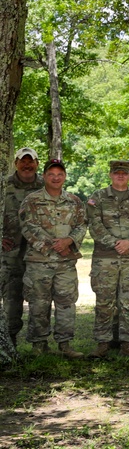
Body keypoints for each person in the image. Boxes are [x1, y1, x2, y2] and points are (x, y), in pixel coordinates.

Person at [19, 159, 86, 358]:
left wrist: (69, 241)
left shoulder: (74, 201)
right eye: (51, 174)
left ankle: (65, 345)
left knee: (66, 303)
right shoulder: (31, 200)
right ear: (44, 176)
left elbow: (82, 225)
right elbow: (27, 227)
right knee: (39, 303)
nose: (56, 178)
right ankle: (39, 345)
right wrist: (53, 246)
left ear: (64, 176)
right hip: (39, 262)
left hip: (65, 263)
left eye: (59, 174)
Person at [87, 160, 129, 358]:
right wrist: (116, 242)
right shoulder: (97, 197)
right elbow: (95, 226)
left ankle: (127, 345)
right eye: (117, 173)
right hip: (105, 259)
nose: (120, 176)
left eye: (124, 173)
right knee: (104, 302)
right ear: (110, 175)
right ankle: (103, 344)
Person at [2, 147, 43, 345]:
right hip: (10, 252)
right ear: (15, 163)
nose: (27, 165)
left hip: (38, 251)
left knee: (39, 294)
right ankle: (11, 340)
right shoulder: (4, 185)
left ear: (37, 163)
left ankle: (39, 342)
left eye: (31, 161)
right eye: (22, 161)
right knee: (11, 294)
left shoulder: (46, 185)